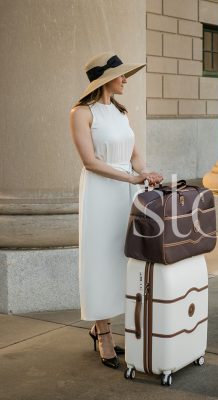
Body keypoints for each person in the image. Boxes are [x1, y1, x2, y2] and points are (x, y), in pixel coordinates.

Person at [69, 52, 163, 369]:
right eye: (122, 75)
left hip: (127, 191)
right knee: (100, 259)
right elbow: (90, 162)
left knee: (121, 258)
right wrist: (131, 177)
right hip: (100, 192)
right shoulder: (81, 113)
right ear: (106, 78)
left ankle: (99, 326)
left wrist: (146, 173)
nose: (126, 79)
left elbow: (135, 155)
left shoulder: (121, 112)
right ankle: (105, 332)